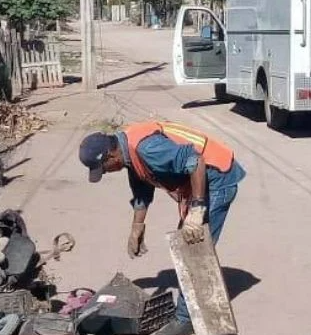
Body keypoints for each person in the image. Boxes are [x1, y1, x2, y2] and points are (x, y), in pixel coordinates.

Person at [78, 120, 246, 335]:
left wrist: (197, 210)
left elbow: (195, 160)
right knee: (187, 246)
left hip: (216, 177)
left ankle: (186, 321)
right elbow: (141, 184)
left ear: (112, 156)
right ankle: (188, 313)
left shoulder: (148, 148)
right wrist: (137, 226)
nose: (107, 172)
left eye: (104, 169)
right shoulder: (127, 149)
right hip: (201, 178)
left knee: (191, 249)